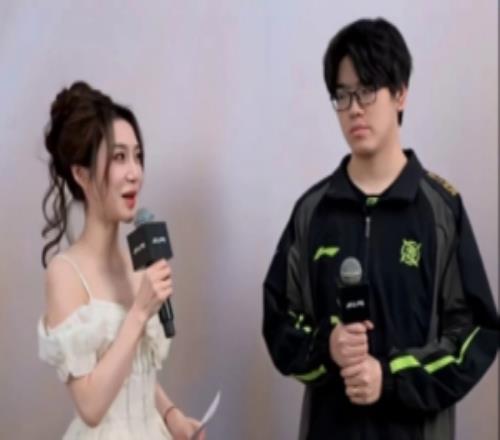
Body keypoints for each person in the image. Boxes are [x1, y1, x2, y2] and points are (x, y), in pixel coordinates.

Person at [262, 17, 498, 440]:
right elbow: (279, 321)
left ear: (401, 93)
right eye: (343, 95)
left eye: (367, 90)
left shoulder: (441, 210)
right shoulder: (313, 211)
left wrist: (390, 377)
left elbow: (475, 334)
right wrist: (327, 347)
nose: (354, 108)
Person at [38, 81, 206, 440]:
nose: (135, 172)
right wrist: (140, 312)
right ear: (81, 174)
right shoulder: (64, 274)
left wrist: (172, 416)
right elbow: (91, 406)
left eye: (137, 156)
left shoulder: (138, 261)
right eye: (119, 158)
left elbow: (133, 369)